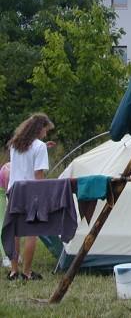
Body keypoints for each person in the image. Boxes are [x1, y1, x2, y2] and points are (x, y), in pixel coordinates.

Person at [6, 113, 54, 281]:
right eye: (45, 130)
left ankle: (13, 271)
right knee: (31, 232)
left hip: (13, 190)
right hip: (30, 191)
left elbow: (24, 158)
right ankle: (27, 272)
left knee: (15, 232)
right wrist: (43, 196)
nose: (45, 134)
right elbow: (38, 174)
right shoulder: (39, 147)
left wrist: (43, 147)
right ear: (39, 129)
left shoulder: (15, 144)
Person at [0, 162, 10, 267]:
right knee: (1, 228)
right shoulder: (7, 169)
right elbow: (8, 191)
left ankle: (10, 255)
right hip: (2, 195)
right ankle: (5, 258)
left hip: (3, 194)